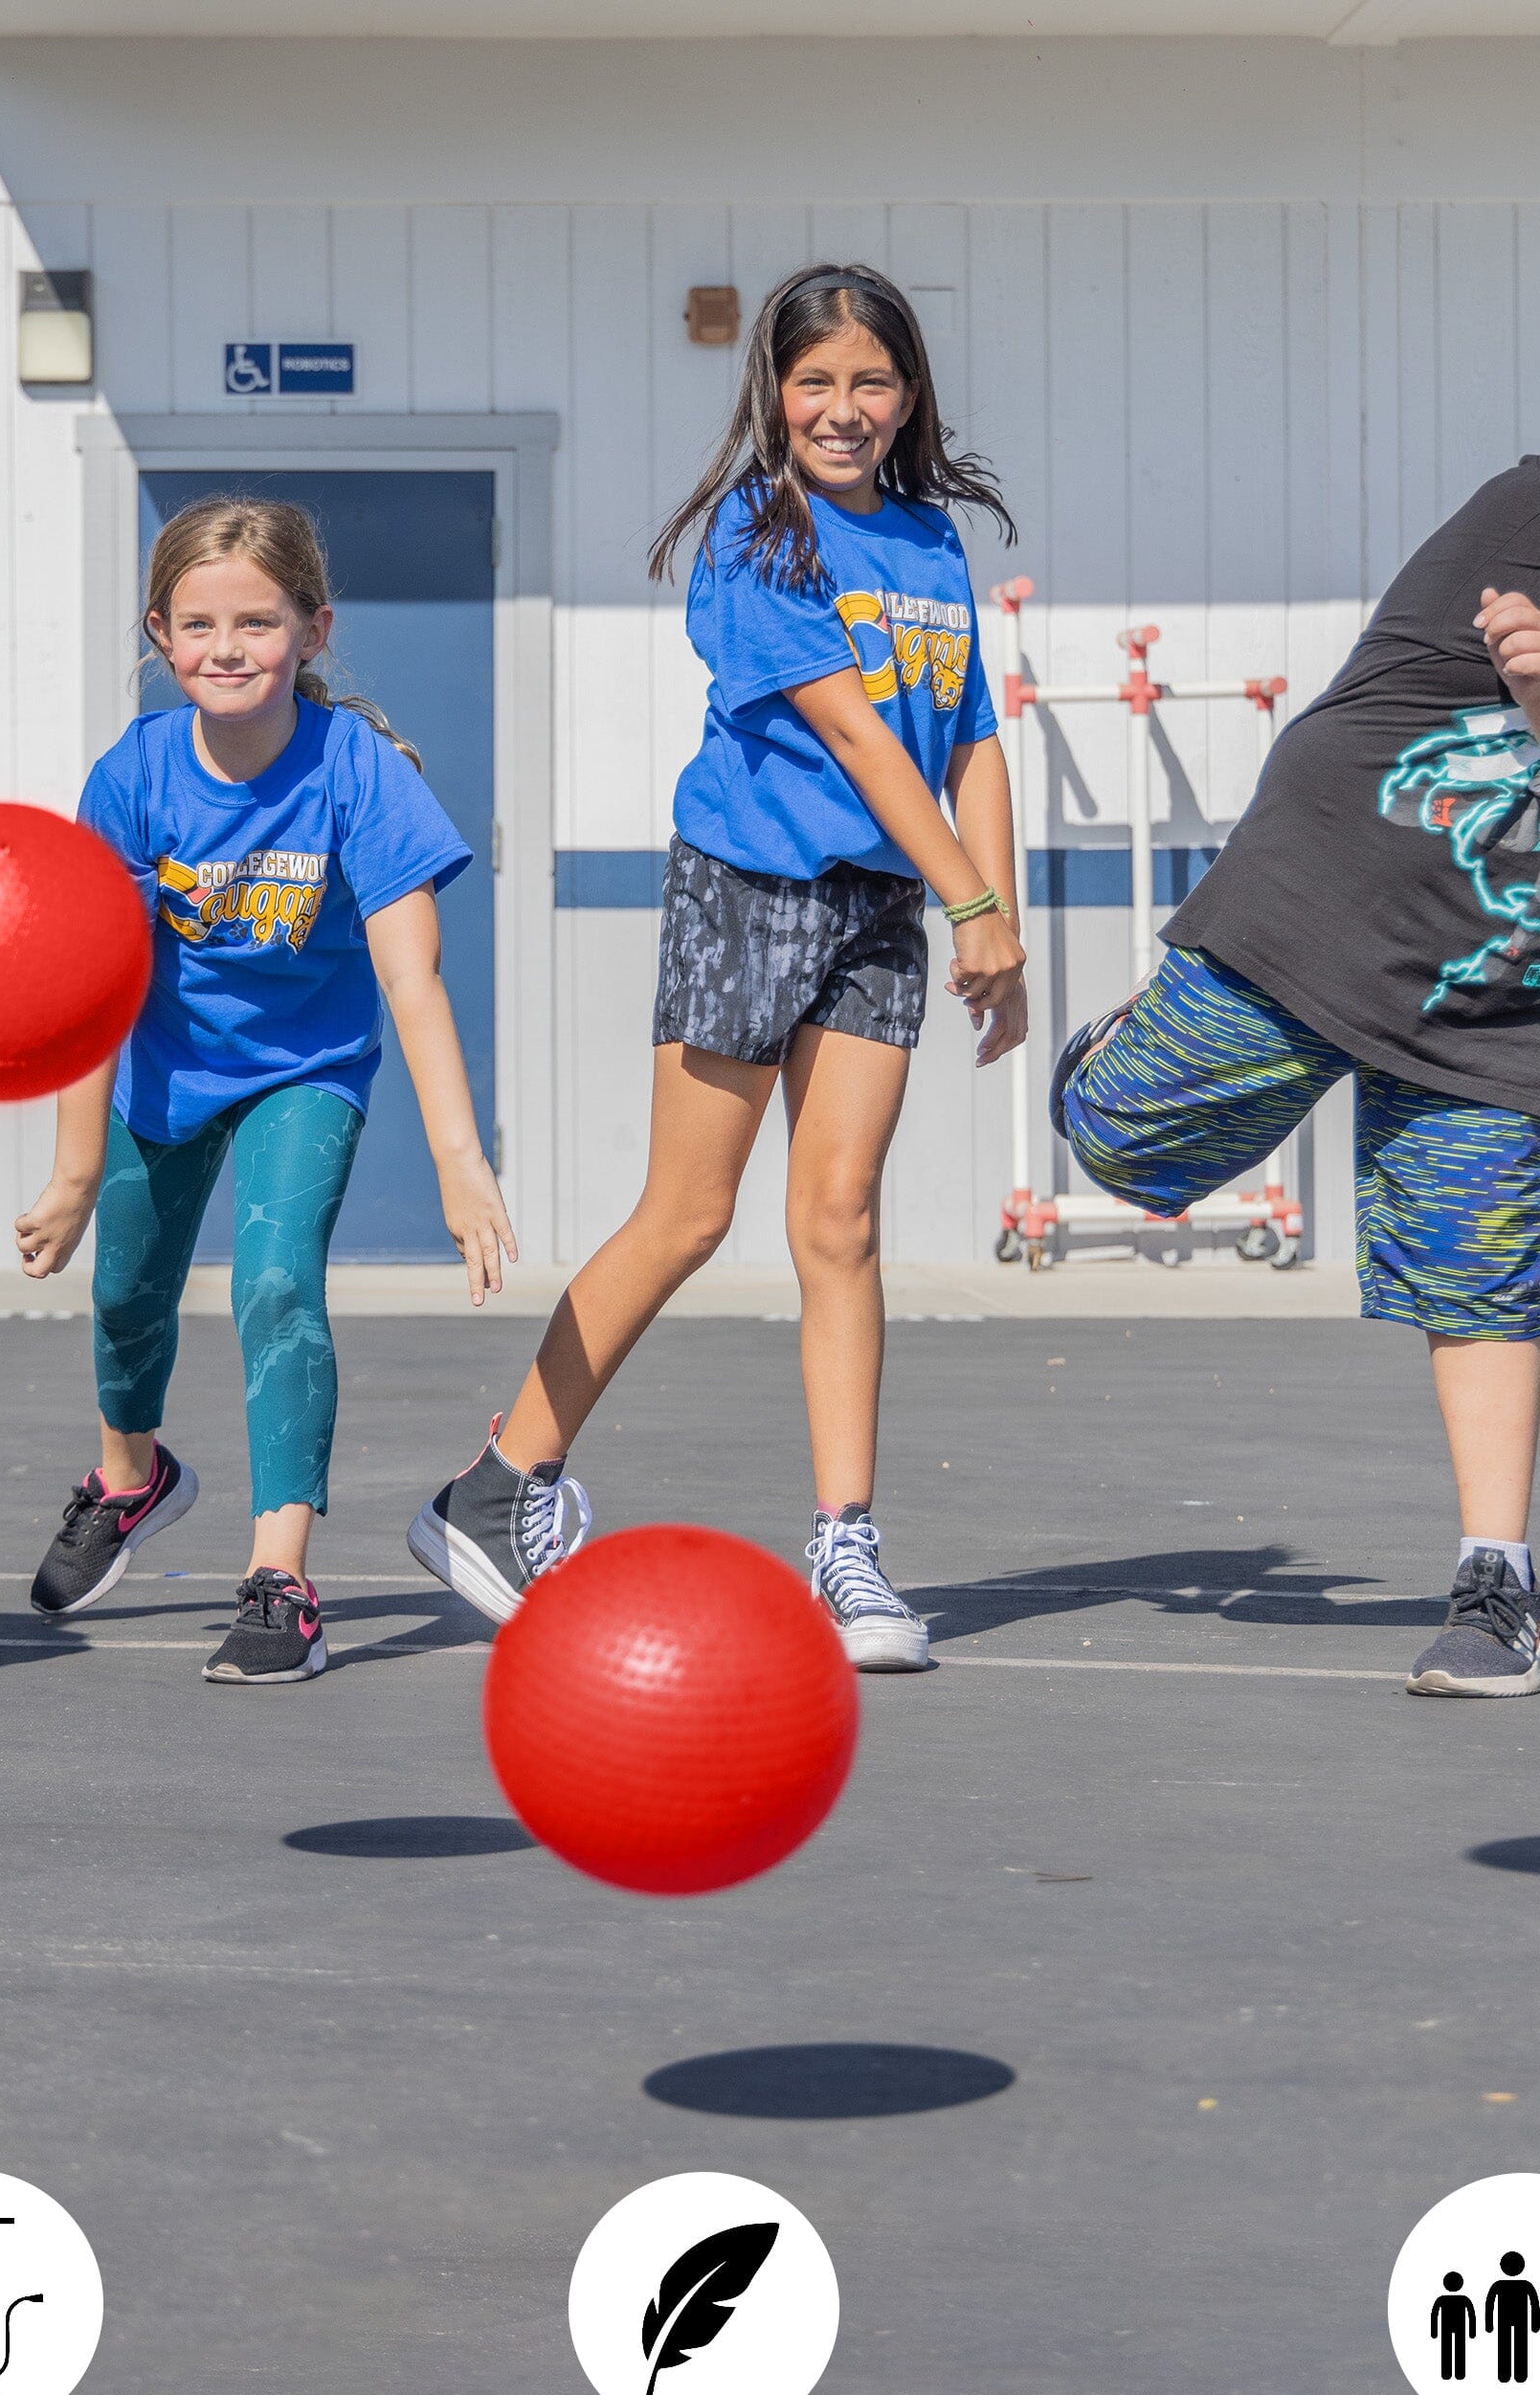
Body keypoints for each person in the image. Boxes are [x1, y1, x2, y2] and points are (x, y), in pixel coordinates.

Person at [1056, 278, 1540, 1696]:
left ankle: (1495, 1585)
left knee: (1483, 1276)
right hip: (1319, 921)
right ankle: (1118, 1052)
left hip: (1486, 989)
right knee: (1125, 1147)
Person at [407, 263, 1027, 1666]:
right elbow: (864, 741)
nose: (844, 408)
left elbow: (968, 733)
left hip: (885, 903)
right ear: (774, 394)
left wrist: (1004, 927)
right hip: (746, 892)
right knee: (688, 1218)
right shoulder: (760, 537)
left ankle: (848, 1548)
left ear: (910, 395)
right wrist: (974, 897)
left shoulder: (930, 542)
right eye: (815, 382)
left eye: (872, 381)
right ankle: (497, 1487)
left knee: (842, 1223)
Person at [13, 496, 503, 1683]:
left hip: (305, 1070)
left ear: (314, 630)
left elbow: (414, 978)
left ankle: (280, 1578)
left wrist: (458, 1157)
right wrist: (77, 1170)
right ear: (159, 634)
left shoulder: (361, 775)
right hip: (164, 1064)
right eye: (198, 624)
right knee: (128, 1293)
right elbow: (92, 982)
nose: (226, 648)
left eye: (257, 622)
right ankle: (129, 1479)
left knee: (277, 1285)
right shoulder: (130, 777)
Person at [1484, 2250, 1540, 2384]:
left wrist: (1489, 2324)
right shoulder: (1525, 2285)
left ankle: (1508, 2374)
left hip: (1506, 2320)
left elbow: (1490, 2305)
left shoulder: (1499, 2285)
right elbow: (1534, 2305)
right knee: (1517, 2345)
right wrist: (1535, 2323)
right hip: (1518, 2320)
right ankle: (1518, 2374)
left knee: (1508, 2345)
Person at [1429, 2268, 1477, 2384]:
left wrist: (1434, 2332)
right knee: (1457, 2349)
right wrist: (1472, 2331)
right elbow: (1471, 2315)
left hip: (1447, 2327)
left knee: (1448, 2349)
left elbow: (1434, 2315)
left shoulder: (1442, 2300)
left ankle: (1448, 2373)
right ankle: (1458, 2373)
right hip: (1459, 2327)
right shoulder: (1464, 2299)